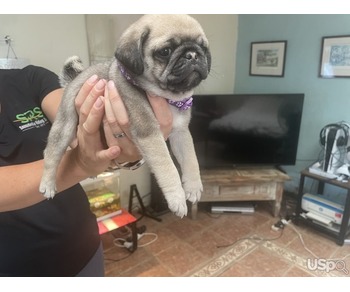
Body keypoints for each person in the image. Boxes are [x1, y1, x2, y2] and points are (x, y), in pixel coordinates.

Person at [0, 64, 173, 276]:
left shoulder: (30, 78)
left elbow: (78, 129)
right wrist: (80, 164)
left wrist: (120, 146)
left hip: (83, 250)